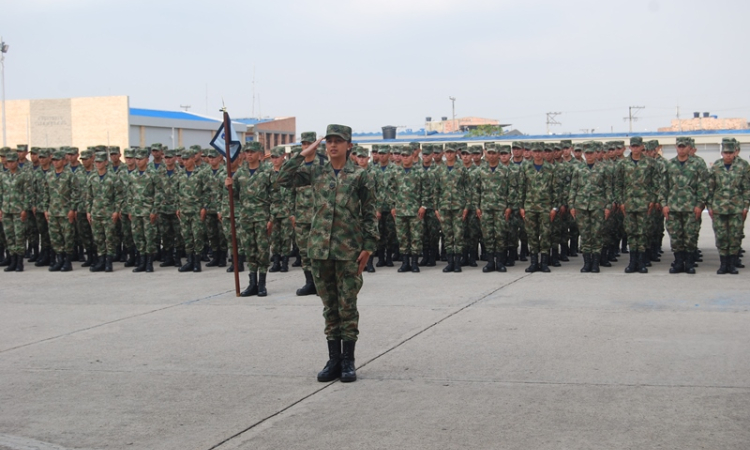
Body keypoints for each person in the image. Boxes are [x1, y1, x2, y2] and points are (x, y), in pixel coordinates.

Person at [276, 124, 378, 383]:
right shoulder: (316, 172)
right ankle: (333, 360)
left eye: (338, 141)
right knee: (329, 308)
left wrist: (368, 248)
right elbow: (282, 178)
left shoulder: (359, 175)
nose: (333, 145)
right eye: (329, 141)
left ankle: (348, 362)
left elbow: (369, 214)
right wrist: (304, 153)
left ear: (349, 145)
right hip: (320, 251)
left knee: (347, 307)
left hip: (348, 251)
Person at [227, 142, 272, 296]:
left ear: (260, 153)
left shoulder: (267, 171)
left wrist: (270, 218)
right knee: (249, 249)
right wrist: (229, 186)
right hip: (246, 217)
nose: (249, 155)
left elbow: (275, 195)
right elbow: (235, 196)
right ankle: (252, 283)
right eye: (247, 152)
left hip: (262, 217)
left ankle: (262, 284)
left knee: (262, 250)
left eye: (252, 152)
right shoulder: (240, 173)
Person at [660, 137, 707, 274]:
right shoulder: (669, 165)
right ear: (676, 147)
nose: (681, 149)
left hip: (691, 207)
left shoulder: (697, 164)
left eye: (684, 146)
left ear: (689, 148)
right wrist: (664, 204)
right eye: (679, 146)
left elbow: (703, 186)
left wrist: (700, 204)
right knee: (676, 237)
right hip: (673, 208)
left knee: (690, 236)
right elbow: (663, 187)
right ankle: (679, 263)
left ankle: (690, 263)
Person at [615, 136, 657, 273]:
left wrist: (652, 200)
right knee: (631, 232)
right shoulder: (623, 164)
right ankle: (632, 262)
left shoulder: (650, 163)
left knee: (643, 232)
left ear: (642, 147)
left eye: (637, 146)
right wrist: (620, 202)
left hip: (644, 204)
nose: (635, 148)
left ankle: (641, 262)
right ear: (629, 147)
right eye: (633, 146)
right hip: (629, 204)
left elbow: (655, 183)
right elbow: (618, 185)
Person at [707, 140, 749, 274]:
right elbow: (710, 188)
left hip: (736, 207)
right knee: (721, 236)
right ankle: (723, 264)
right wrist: (710, 206)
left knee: (735, 236)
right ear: (722, 153)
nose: (728, 155)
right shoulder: (716, 167)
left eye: (731, 153)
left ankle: (732, 264)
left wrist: (745, 206)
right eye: (726, 153)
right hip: (719, 208)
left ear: (735, 153)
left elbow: (746, 188)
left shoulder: (742, 166)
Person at [569, 143, 611, 273]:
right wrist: (571, 204)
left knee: (597, 234)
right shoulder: (578, 169)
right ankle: (587, 263)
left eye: (591, 153)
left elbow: (608, 189)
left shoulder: (603, 168)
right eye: (587, 153)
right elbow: (573, 188)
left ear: (596, 153)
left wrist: (608, 205)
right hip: (581, 205)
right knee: (585, 234)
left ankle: (596, 263)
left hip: (598, 205)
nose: (589, 156)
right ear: (583, 154)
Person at [475, 144, 514, 272]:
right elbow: (476, 190)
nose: (491, 156)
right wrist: (477, 206)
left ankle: (500, 262)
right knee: (487, 235)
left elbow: (511, 189)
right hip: (485, 208)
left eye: (494, 153)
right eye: (489, 153)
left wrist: (509, 207)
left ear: (498, 154)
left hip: (501, 208)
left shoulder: (506, 170)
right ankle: (490, 262)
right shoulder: (481, 170)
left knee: (501, 234)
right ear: (486, 154)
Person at [518, 143, 557, 273]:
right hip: (530, 206)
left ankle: (544, 262)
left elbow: (556, 190)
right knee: (532, 235)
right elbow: (521, 188)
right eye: (536, 151)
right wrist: (521, 206)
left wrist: (555, 207)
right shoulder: (525, 168)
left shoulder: (551, 169)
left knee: (545, 234)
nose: (538, 154)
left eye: (541, 151)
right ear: (532, 153)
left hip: (546, 207)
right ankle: (534, 263)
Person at [43, 150, 80, 272]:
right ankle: (59, 260)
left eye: (58, 160)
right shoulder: (49, 175)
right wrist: (45, 209)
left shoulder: (69, 175)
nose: (55, 162)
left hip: (65, 211)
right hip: (53, 211)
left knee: (68, 237)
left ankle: (67, 261)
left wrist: (72, 209)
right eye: (53, 160)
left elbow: (76, 193)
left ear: (64, 161)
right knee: (55, 237)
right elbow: (46, 194)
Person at [128, 148, 162, 273]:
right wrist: (130, 208)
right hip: (136, 211)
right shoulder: (132, 175)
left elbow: (159, 193)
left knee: (150, 237)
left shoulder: (153, 174)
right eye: (136, 159)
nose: (138, 161)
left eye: (140, 159)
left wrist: (154, 210)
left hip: (148, 211)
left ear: (147, 160)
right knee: (138, 237)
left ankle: (149, 263)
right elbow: (129, 194)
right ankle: (141, 262)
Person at [86, 153, 120, 273]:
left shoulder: (113, 177)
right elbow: (89, 196)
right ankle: (101, 261)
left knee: (109, 238)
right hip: (96, 212)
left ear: (106, 162)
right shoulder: (92, 177)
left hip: (108, 213)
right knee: (98, 238)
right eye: (96, 162)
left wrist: (116, 211)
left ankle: (109, 262)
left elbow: (118, 196)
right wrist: (88, 211)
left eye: (100, 162)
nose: (98, 164)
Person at [0, 151, 31, 272]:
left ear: (17, 162)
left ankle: (19, 262)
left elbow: (28, 194)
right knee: (9, 236)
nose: (10, 164)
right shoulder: (3, 176)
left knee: (19, 236)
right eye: (8, 162)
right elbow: (1, 193)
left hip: (18, 210)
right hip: (6, 210)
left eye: (13, 161)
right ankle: (12, 261)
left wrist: (24, 209)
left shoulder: (24, 175)